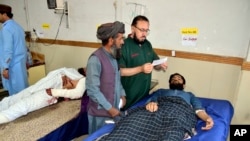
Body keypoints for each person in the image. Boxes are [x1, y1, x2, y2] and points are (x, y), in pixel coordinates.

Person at [98, 73, 214, 141]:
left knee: (174, 132)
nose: (176, 80)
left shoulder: (189, 95)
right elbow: (152, 100)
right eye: (173, 79)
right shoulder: (161, 91)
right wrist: (151, 103)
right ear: (170, 83)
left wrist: (207, 119)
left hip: (178, 112)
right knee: (132, 122)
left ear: (183, 84)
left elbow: (198, 109)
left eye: (179, 79)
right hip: (158, 109)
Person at [0, 67, 86, 124]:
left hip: (53, 89)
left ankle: (3, 115)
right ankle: (3, 108)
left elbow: (76, 93)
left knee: (26, 103)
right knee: (23, 95)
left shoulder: (84, 80)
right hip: (54, 80)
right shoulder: (75, 72)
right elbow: (63, 72)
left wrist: (55, 92)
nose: (87, 68)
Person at [118, 15, 167, 110]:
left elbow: (155, 64)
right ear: (133, 29)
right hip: (128, 98)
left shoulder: (147, 44)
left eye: (147, 30)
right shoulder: (124, 45)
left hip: (144, 97)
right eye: (142, 30)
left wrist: (160, 65)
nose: (144, 34)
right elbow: (121, 71)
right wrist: (141, 69)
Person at [86, 21, 126, 134]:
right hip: (100, 115)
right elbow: (93, 90)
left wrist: (123, 94)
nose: (122, 42)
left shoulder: (114, 57)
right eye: (120, 38)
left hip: (113, 111)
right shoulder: (95, 60)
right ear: (111, 40)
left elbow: (117, 79)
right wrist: (110, 108)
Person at [0, 4, 29, 95]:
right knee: (23, 90)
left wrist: (6, 68)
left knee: (15, 94)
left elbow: (8, 50)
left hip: (12, 66)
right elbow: (23, 46)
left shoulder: (6, 29)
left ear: (4, 14)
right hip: (20, 64)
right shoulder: (18, 27)